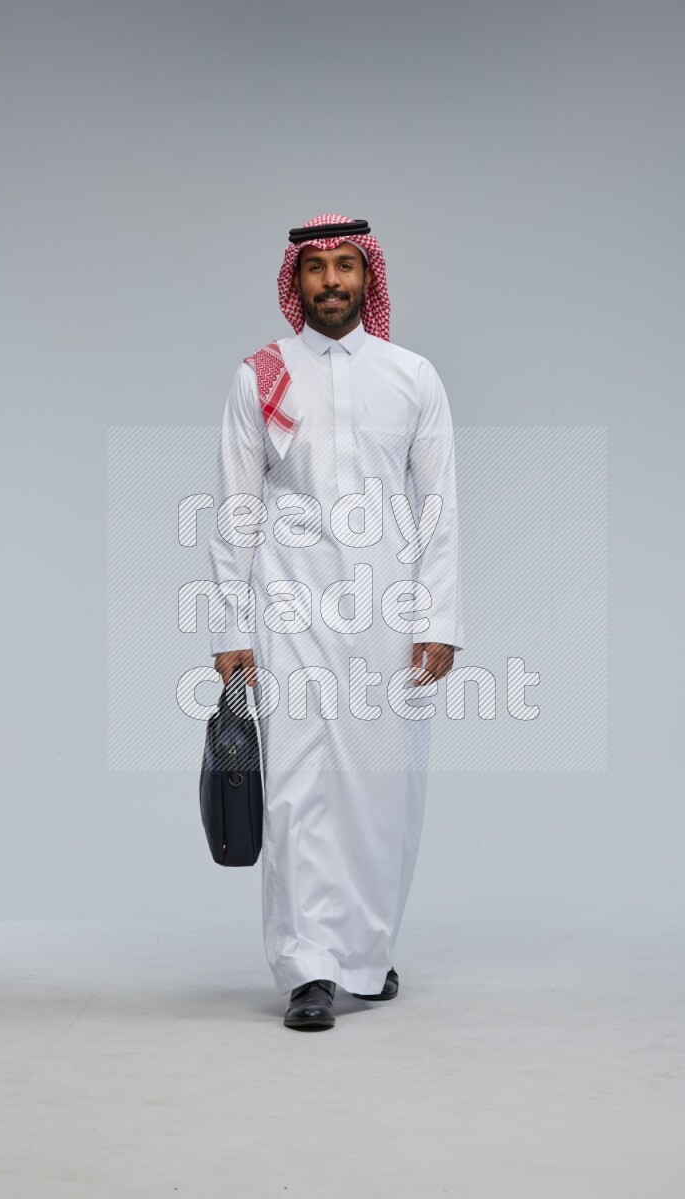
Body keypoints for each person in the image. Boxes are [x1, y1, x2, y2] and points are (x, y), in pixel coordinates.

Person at [208, 214, 465, 1030]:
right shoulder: (263, 375)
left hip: (389, 614)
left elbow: (441, 510)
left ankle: (366, 952)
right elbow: (235, 511)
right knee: (296, 791)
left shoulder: (413, 376)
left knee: (383, 791)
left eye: (344, 266)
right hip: (291, 609)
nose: (329, 282)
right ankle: (308, 968)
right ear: (297, 280)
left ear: (367, 277)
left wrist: (440, 618)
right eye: (314, 268)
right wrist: (230, 630)